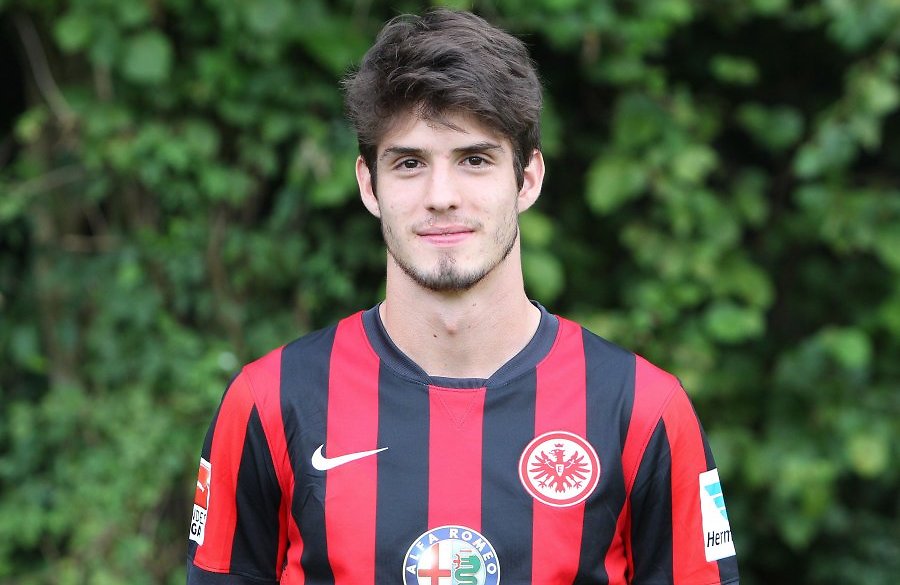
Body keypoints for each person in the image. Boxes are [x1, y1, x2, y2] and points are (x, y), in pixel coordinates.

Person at [185, 8, 739, 585]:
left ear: (527, 179)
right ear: (369, 184)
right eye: (409, 163)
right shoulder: (271, 402)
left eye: (474, 160)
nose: (441, 195)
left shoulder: (643, 409)